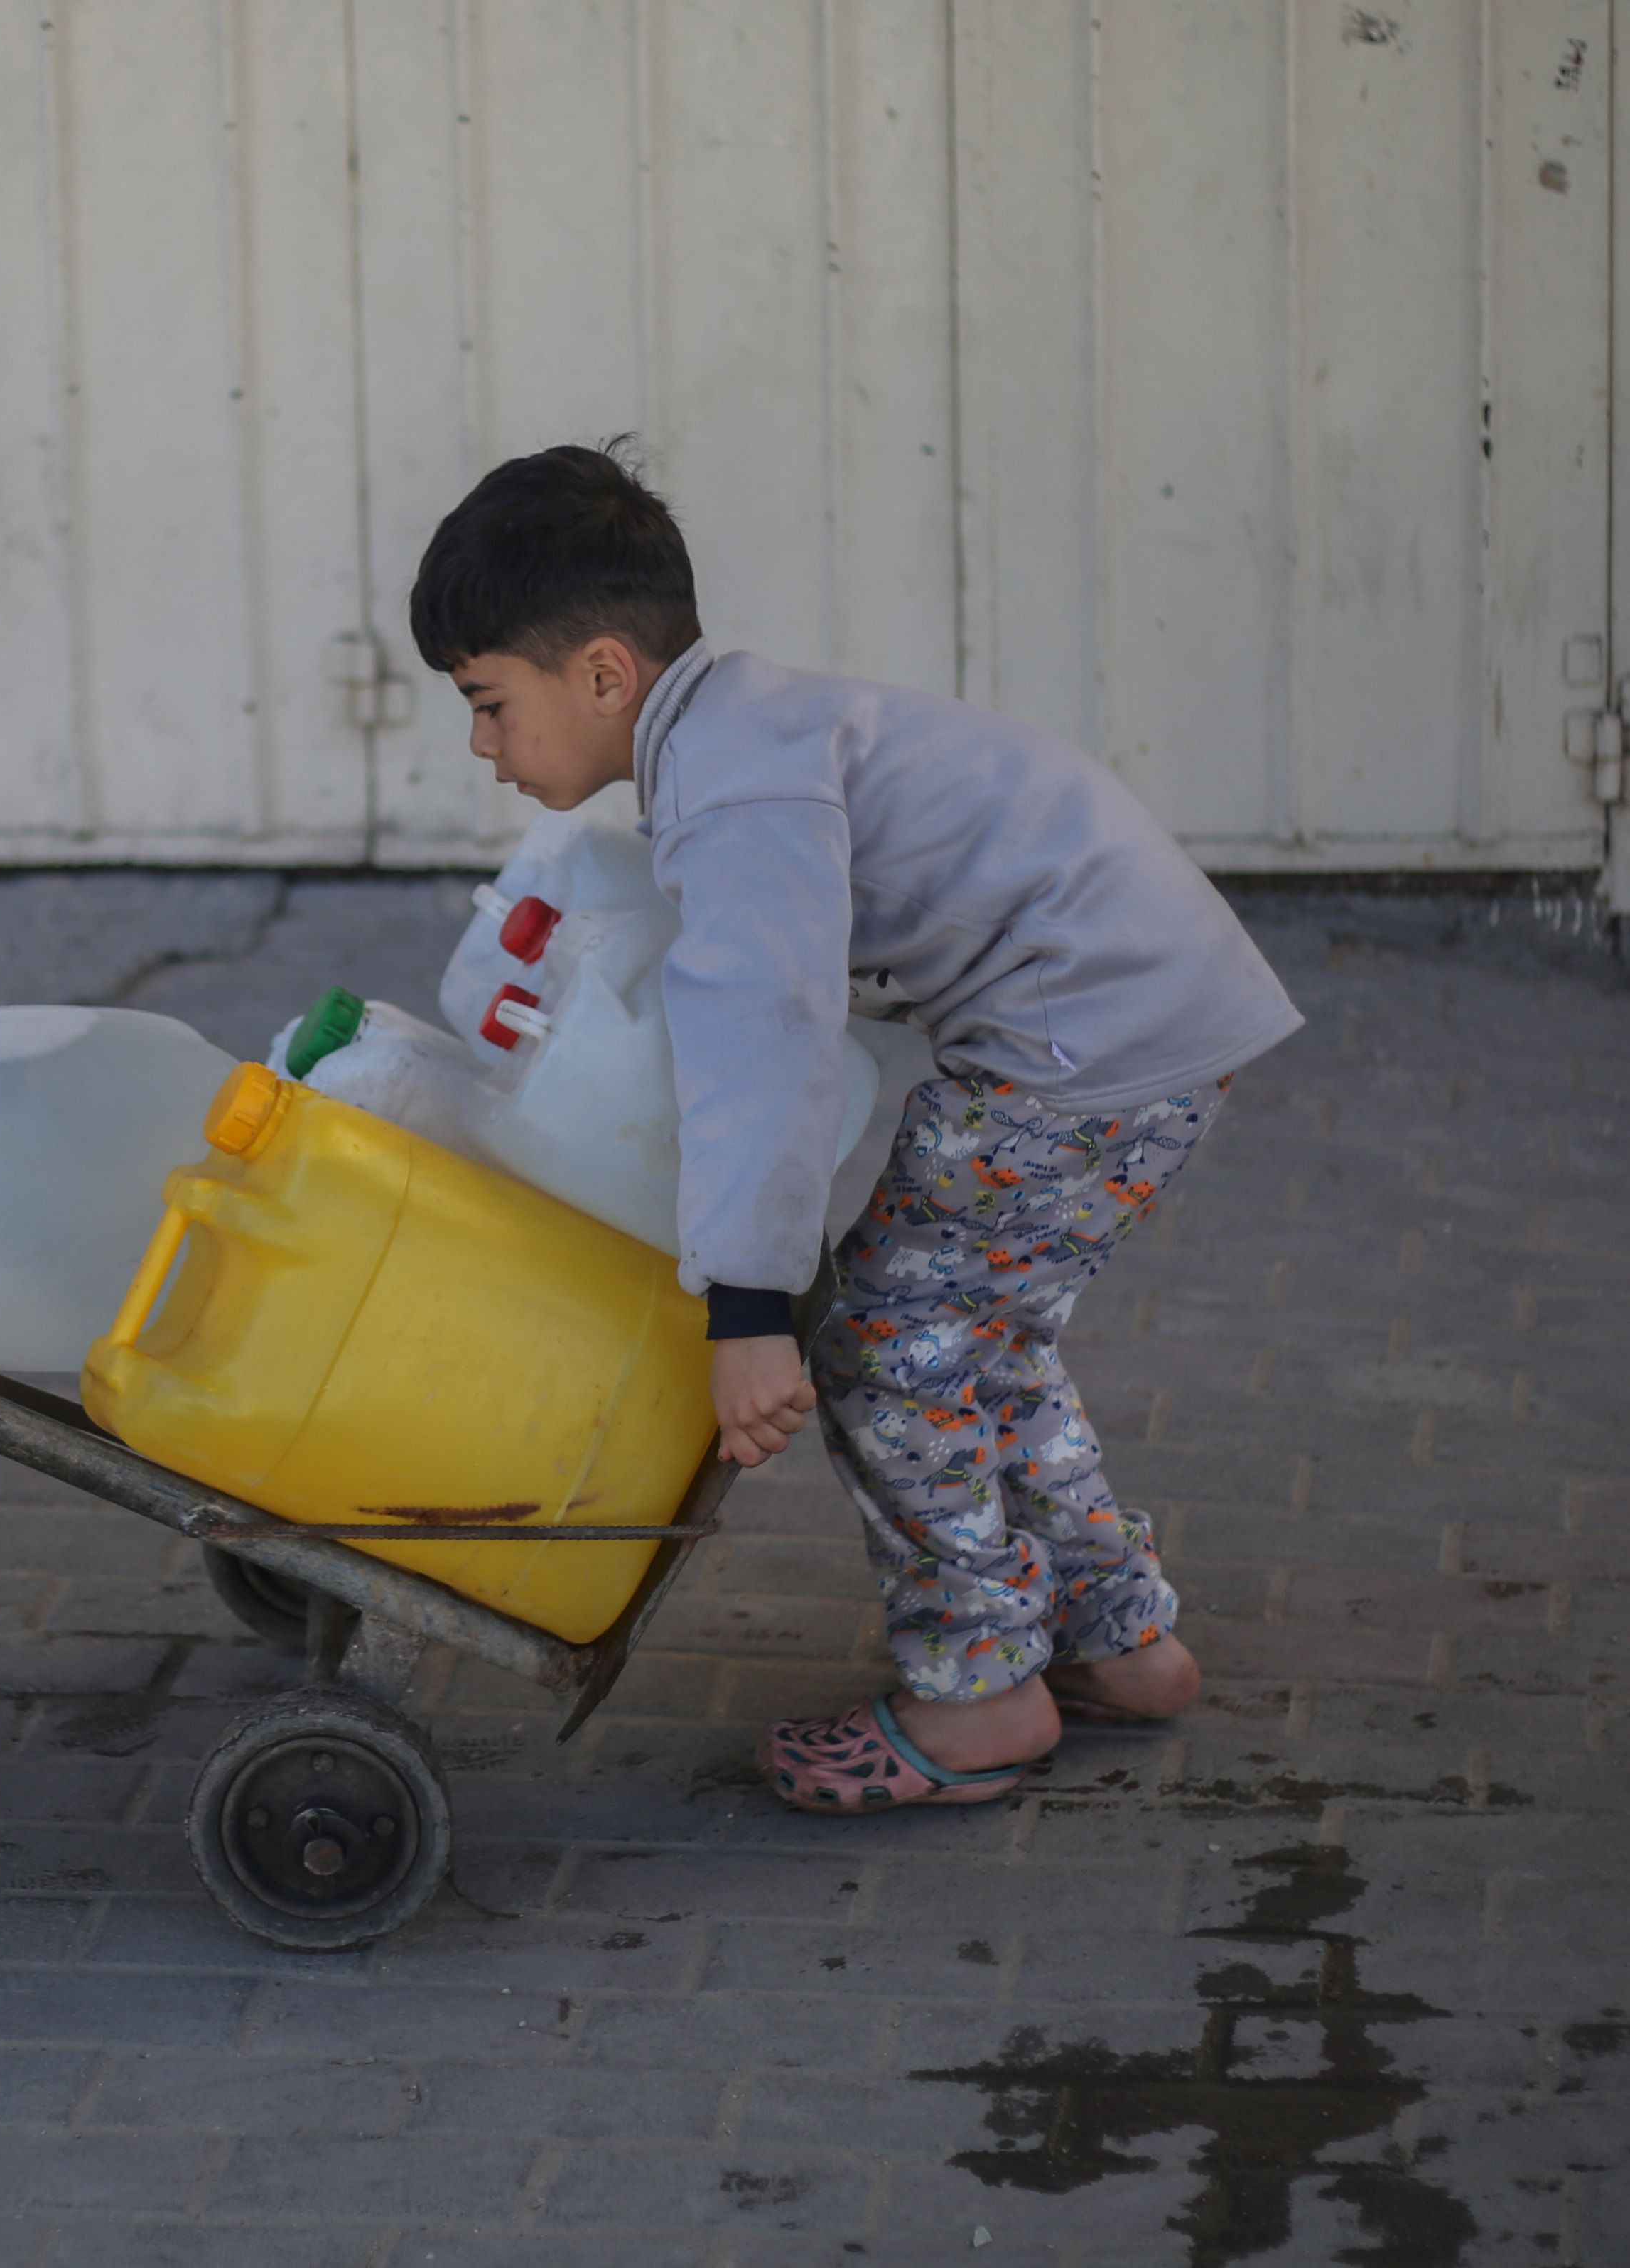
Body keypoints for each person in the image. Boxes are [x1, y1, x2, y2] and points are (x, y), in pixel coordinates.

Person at [406, 446, 1301, 1814]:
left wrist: (749, 1305)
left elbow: (762, 1034)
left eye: (486, 704)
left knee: (886, 1360)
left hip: (1079, 1045)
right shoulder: (742, 730)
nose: (482, 747)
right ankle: (1120, 1647)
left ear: (600, 674)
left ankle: (981, 1698)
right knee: (975, 1345)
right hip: (1143, 1018)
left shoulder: (729, 785)